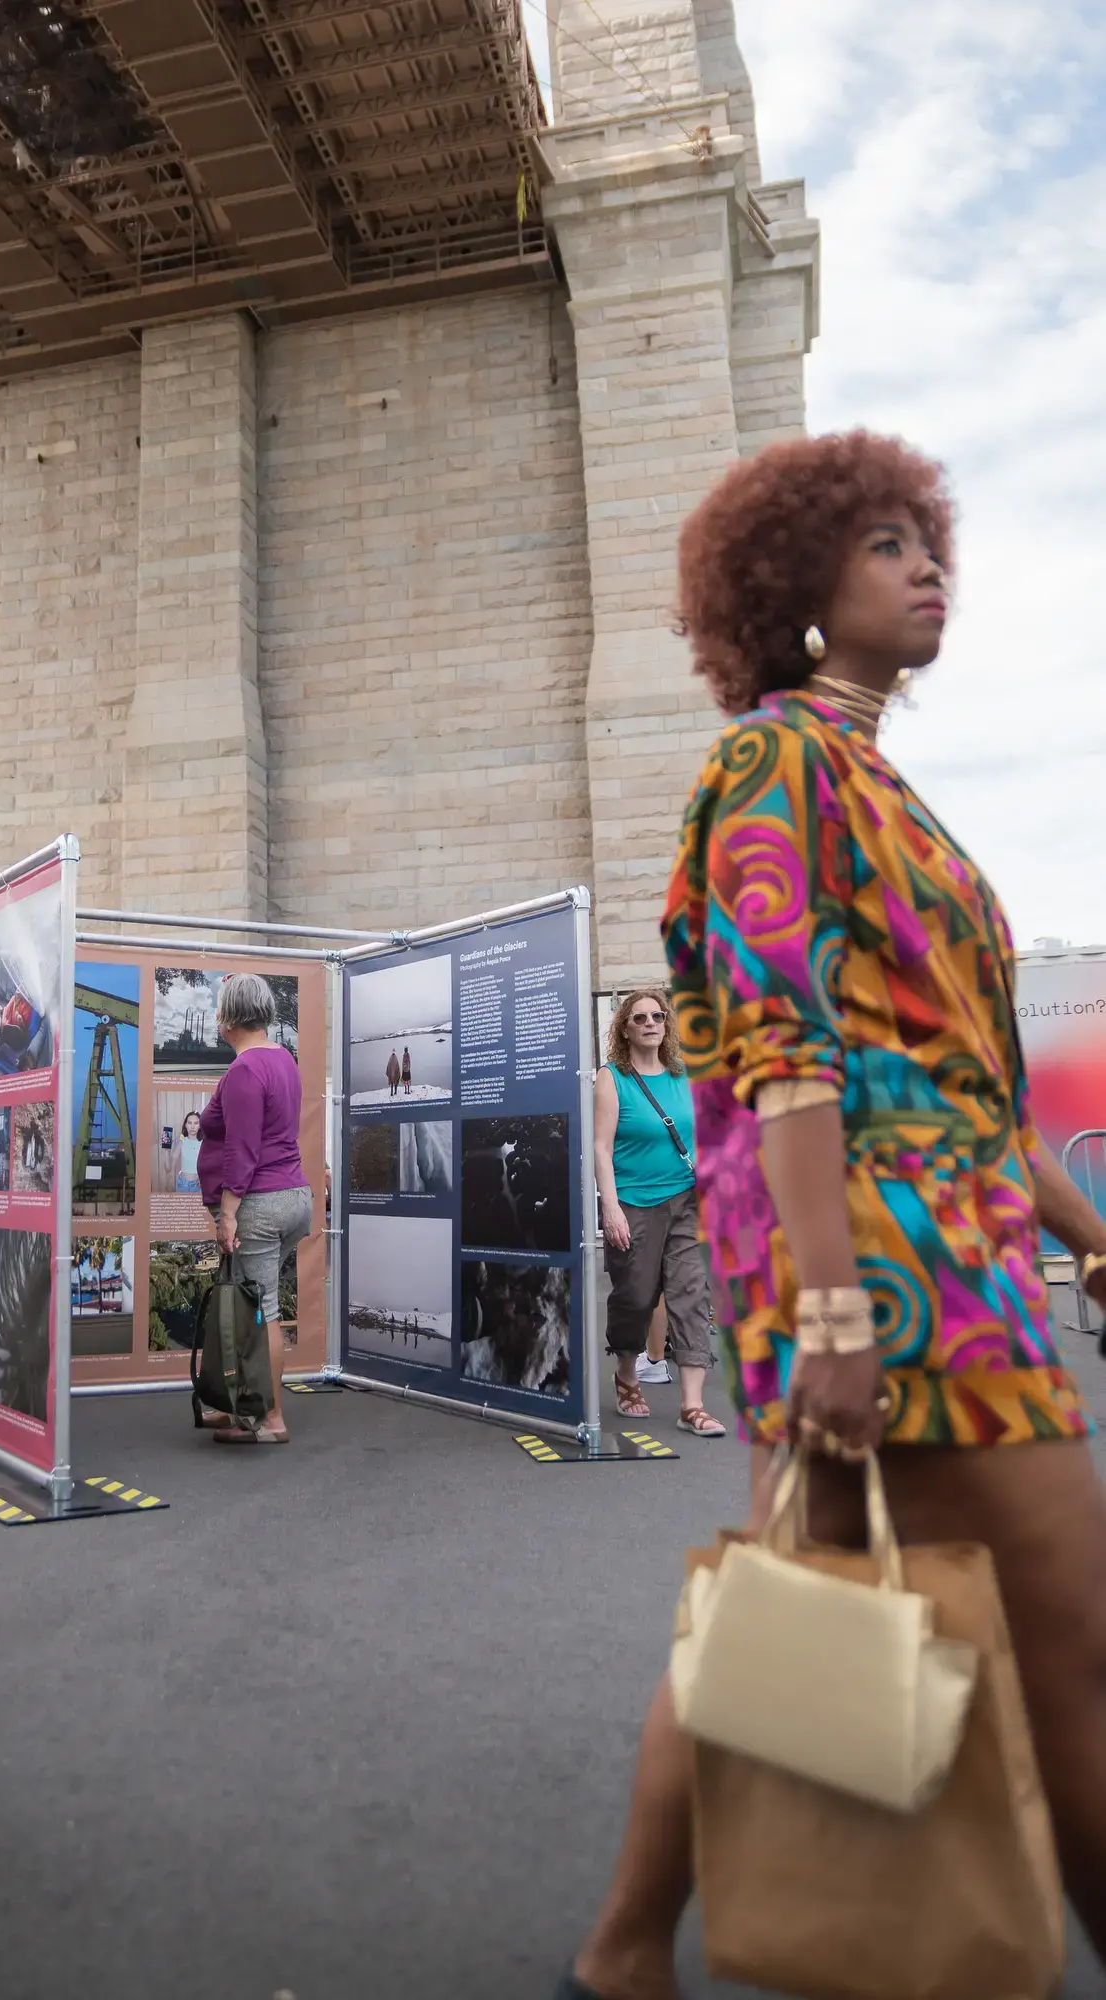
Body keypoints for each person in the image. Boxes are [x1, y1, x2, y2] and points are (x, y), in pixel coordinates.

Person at [559, 430, 1106, 1999]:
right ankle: (611, 1958)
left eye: (921, 537)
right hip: (879, 1273)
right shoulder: (769, 764)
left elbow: (973, 1094)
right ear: (795, 586)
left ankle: (613, 1960)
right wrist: (828, 1310)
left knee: (796, 1595)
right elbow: (781, 1047)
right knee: (1065, 1649)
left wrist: (1082, 1234)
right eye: (882, 542)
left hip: (961, 1257)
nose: (926, 563)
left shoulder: (884, 786)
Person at [593, 990, 723, 1434]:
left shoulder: (685, 1076)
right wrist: (609, 1205)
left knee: (690, 1295)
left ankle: (692, 1406)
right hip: (634, 1203)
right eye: (640, 1017)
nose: (650, 1022)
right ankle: (627, 1377)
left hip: (686, 1201)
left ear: (666, 1024)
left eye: (657, 1016)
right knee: (636, 1296)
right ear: (625, 1028)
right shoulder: (612, 1078)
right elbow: (601, 1147)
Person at [198, 972, 312, 1445]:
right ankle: (238, 1404)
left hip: (260, 1205)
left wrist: (227, 1215)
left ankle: (272, 1420)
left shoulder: (245, 1070)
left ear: (227, 1018)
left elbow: (242, 1150)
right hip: (293, 1197)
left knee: (261, 1309)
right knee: (251, 1307)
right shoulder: (283, 1059)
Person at [175, 1110, 202, 1194]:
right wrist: (166, 1151)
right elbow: (168, 1167)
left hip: (199, 1185)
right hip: (182, 1184)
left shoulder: (204, 1144)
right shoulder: (181, 1142)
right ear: (186, 1125)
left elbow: (211, 1164)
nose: (192, 1126)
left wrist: (203, 1177)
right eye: (190, 1123)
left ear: (200, 1125)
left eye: (196, 1123)